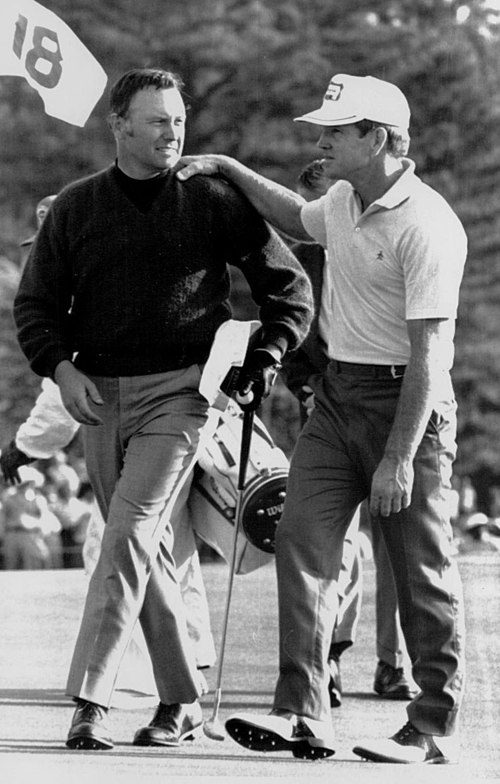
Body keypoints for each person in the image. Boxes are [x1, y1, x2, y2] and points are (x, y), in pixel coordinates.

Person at [13, 67, 313, 752]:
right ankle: (180, 701)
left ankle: (90, 701)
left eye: (178, 119)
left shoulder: (211, 198)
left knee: (126, 536)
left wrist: (264, 359)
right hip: (95, 397)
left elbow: (288, 290)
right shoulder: (75, 208)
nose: (173, 130)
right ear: (117, 124)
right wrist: (60, 370)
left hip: (181, 397)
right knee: (138, 547)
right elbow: (34, 308)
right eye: (156, 119)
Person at [177, 72, 467, 763]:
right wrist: (224, 166)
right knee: (302, 546)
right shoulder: (342, 197)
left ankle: (429, 726)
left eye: (336, 132)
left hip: (409, 408)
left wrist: (399, 456)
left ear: (378, 139)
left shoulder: (428, 224)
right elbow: (291, 215)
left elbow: (430, 354)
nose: (322, 140)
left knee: (420, 568)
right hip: (338, 398)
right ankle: (302, 712)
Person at [282, 160, 415, 707]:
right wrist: (305, 385)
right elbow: (288, 329)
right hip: (328, 405)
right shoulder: (299, 263)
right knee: (325, 542)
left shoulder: (396, 237)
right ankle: (328, 660)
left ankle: (395, 662)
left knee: (399, 545)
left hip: (396, 401)